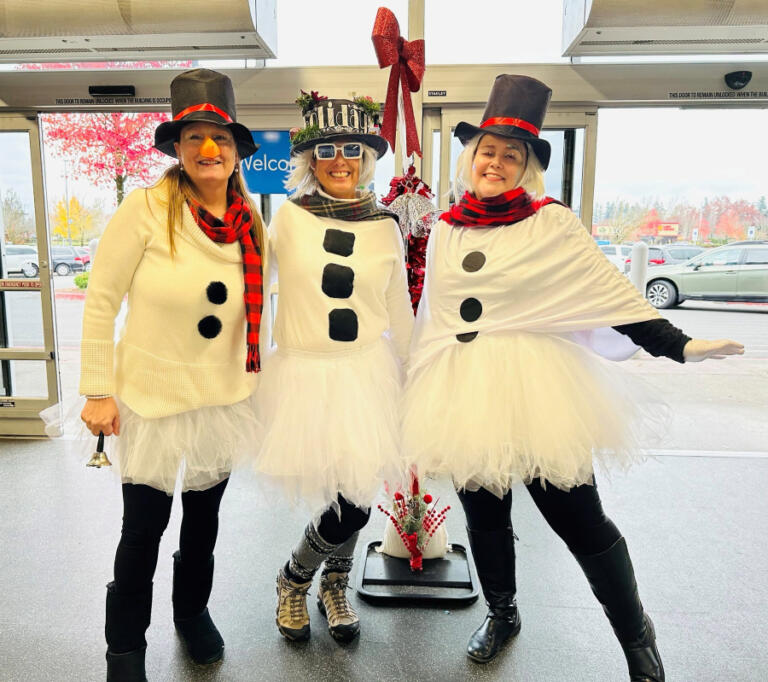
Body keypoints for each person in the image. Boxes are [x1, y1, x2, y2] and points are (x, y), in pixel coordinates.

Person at [401, 74, 744, 680]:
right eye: (488, 151)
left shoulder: (551, 223)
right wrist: (414, 381)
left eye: (512, 155)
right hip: (463, 391)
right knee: (484, 514)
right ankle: (502, 612)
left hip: (538, 390)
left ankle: (635, 635)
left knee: (578, 517)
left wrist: (680, 345)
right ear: (470, 156)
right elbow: (437, 313)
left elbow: (609, 294)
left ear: (527, 166)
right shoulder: (448, 229)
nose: (497, 163)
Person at [78, 68, 265, 680]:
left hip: (219, 396)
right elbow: (101, 300)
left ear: (237, 150)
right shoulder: (146, 209)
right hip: (153, 395)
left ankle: (193, 613)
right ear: (178, 150)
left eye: (221, 138)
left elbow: (265, 307)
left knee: (204, 521)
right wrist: (98, 391)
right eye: (194, 138)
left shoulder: (251, 221)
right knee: (144, 529)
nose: (209, 150)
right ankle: (125, 648)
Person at [253, 92, 413, 643]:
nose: (340, 159)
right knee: (337, 495)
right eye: (327, 149)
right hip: (304, 374)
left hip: (366, 373)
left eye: (351, 148)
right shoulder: (287, 219)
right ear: (310, 158)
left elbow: (399, 308)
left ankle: (307, 579)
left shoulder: (384, 224)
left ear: (366, 156)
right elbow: (251, 286)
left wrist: (418, 372)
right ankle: (312, 584)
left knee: (357, 498)